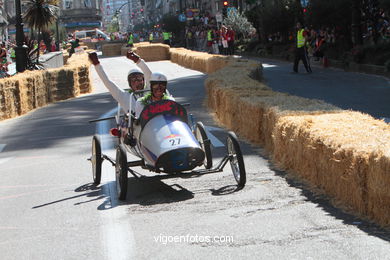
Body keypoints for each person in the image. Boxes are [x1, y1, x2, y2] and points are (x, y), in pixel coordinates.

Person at [88, 50, 152, 113]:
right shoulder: (124, 96)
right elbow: (108, 82)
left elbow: (149, 75)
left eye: (139, 79)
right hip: (134, 123)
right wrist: (97, 64)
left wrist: (138, 60)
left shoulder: (148, 91)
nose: (136, 82)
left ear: (143, 80)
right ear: (130, 83)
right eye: (133, 80)